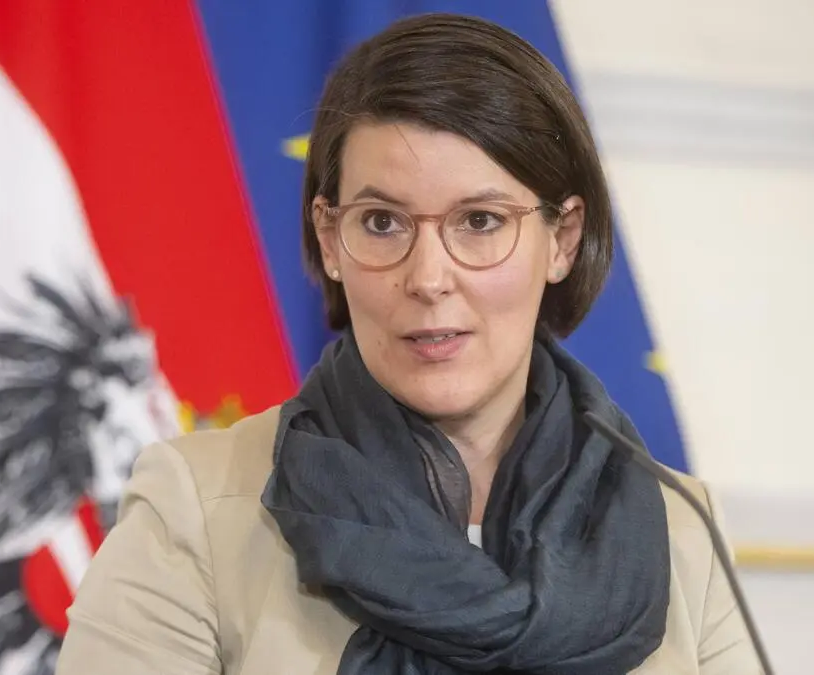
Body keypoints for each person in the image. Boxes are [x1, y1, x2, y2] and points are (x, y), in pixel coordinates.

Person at [55, 12, 761, 675]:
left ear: (563, 240)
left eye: (479, 221)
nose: (427, 278)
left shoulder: (678, 527)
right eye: (382, 223)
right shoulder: (197, 508)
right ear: (329, 239)